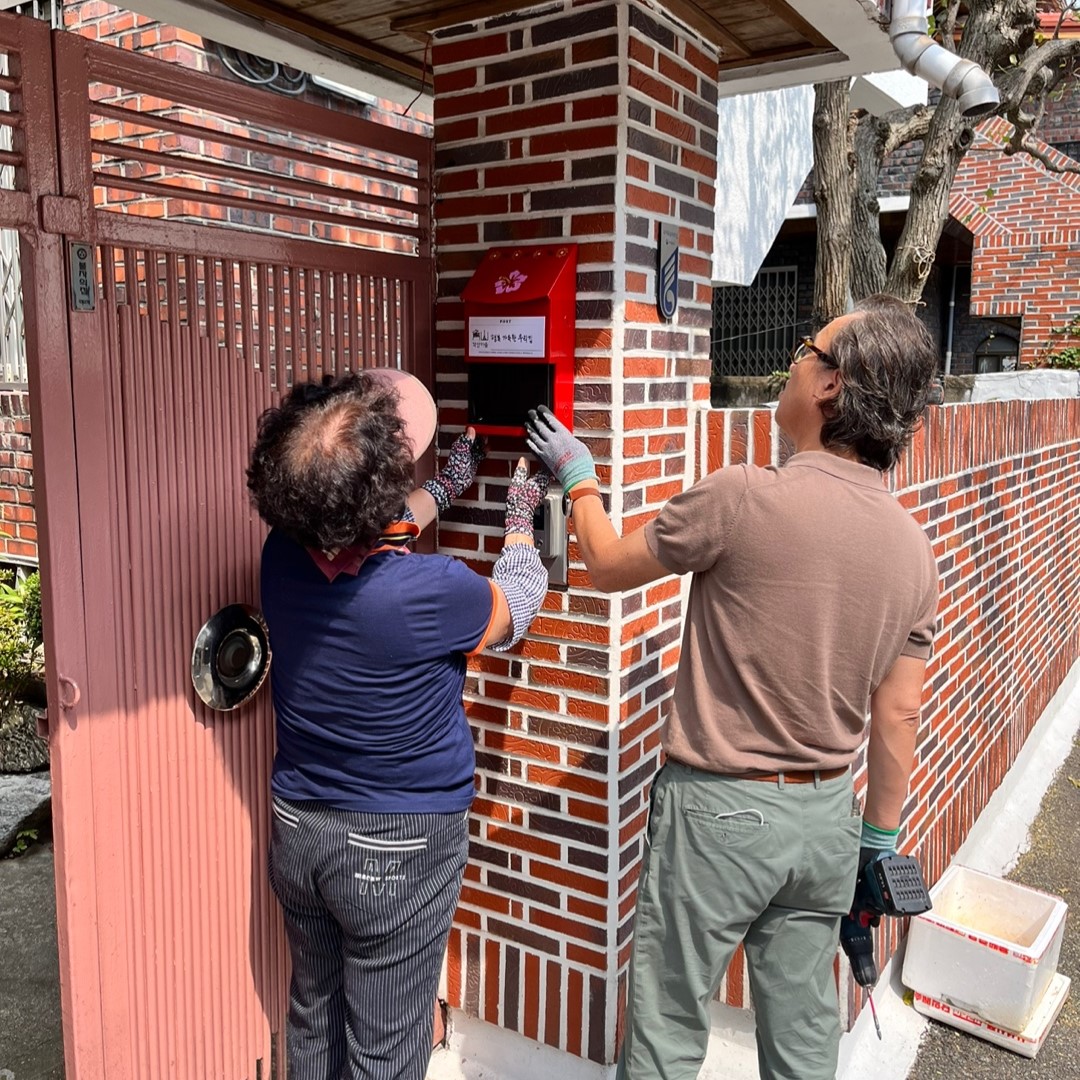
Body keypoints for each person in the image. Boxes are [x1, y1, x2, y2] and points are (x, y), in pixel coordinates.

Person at [525, 294, 940, 1080]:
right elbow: (900, 710)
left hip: (719, 815)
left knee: (667, 1028)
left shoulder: (744, 496)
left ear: (831, 386)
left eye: (805, 349)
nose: (791, 361)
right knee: (806, 1035)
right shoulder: (912, 551)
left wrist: (579, 478)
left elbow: (609, 567)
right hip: (825, 819)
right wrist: (877, 843)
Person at [246, 370, 550, 1080]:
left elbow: (372, 530)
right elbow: (514, 607)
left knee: (313, 1015)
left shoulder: (281, 559)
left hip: (300, 833)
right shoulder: (429, 590)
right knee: (385, 1051)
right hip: (397, 847)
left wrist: (446, 486)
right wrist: (520, 516)